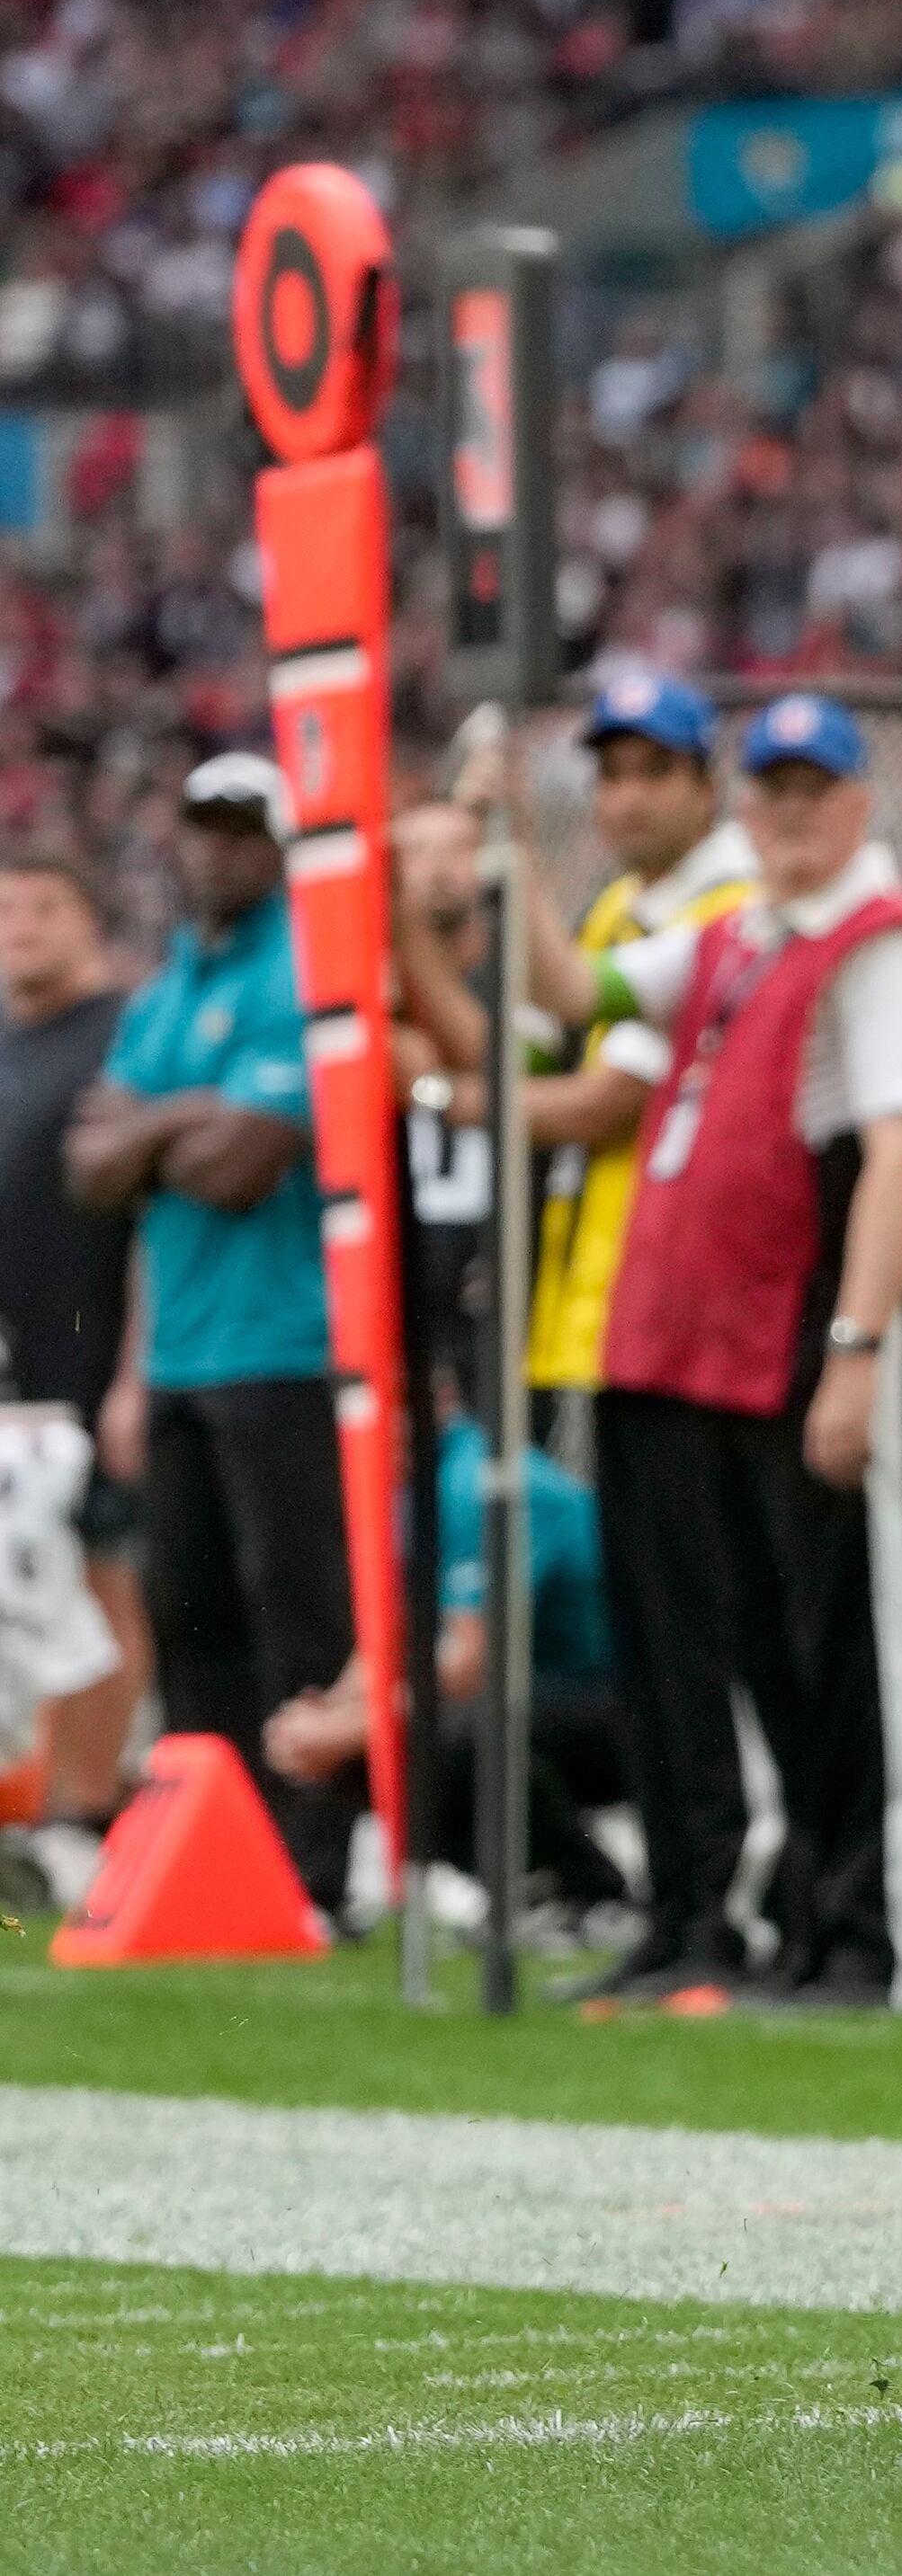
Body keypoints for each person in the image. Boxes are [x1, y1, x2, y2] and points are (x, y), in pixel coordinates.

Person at [568, 693, 902, 2011]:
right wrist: (499, 860)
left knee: (860, 1645)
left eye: (815, 790)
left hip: (839, 1311)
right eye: (773, 791)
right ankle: (820, 1926)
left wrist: (857, 1347)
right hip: (769, 1326)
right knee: (790, 1645)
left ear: (858, 803)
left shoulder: (886, 946)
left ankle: (885, 1938)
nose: (792, 813)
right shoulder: (741, 935)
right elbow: (576, 991)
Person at [62, 756, 353, 1901]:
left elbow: (239, 1169)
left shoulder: (300, 963)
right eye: (202, 829)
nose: (217, 850)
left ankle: (319, 1862)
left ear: (280, 847)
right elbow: (84, 1168)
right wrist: (197, 1114)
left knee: (298, 1621)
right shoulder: (171, 979)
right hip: (181, 1346)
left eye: (242, 831)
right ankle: (215, 1859)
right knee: (189, 1622)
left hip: (284, 1341)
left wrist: (157, 1122)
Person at [259, 1413, 634, 1932]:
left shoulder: (478, 1480)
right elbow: (391, 1631)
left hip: (624, 1706)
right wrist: (327, 1716)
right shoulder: (417, 1482)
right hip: (547, 1697)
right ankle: (526, 1881)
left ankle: (581, 1886)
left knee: (451, 1733)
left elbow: (467, 1662)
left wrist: (347, 1727)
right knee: (369, 1747)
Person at [521, 671, 760, 1459]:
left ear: (707, 786)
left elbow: (600, 1105)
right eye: (612, 775)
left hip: (675, 1308)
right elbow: (537, 1049)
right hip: (605, 1296)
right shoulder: (620, 905)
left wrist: (437, 1092)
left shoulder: (727, 914)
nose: (627, 798)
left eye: (655, 772)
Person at [0, 846, 148, 1896]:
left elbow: (146, 1216)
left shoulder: (124, 1033)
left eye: (46, 906)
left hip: (95, 1356)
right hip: (17, 1367)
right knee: (35, 1584)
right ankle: (43, 1796)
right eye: (6, 908)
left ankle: (85, 1807)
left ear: (90, 920)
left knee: (106, 1578)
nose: (21, 926)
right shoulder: (8, 1041)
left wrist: (137, 1370)